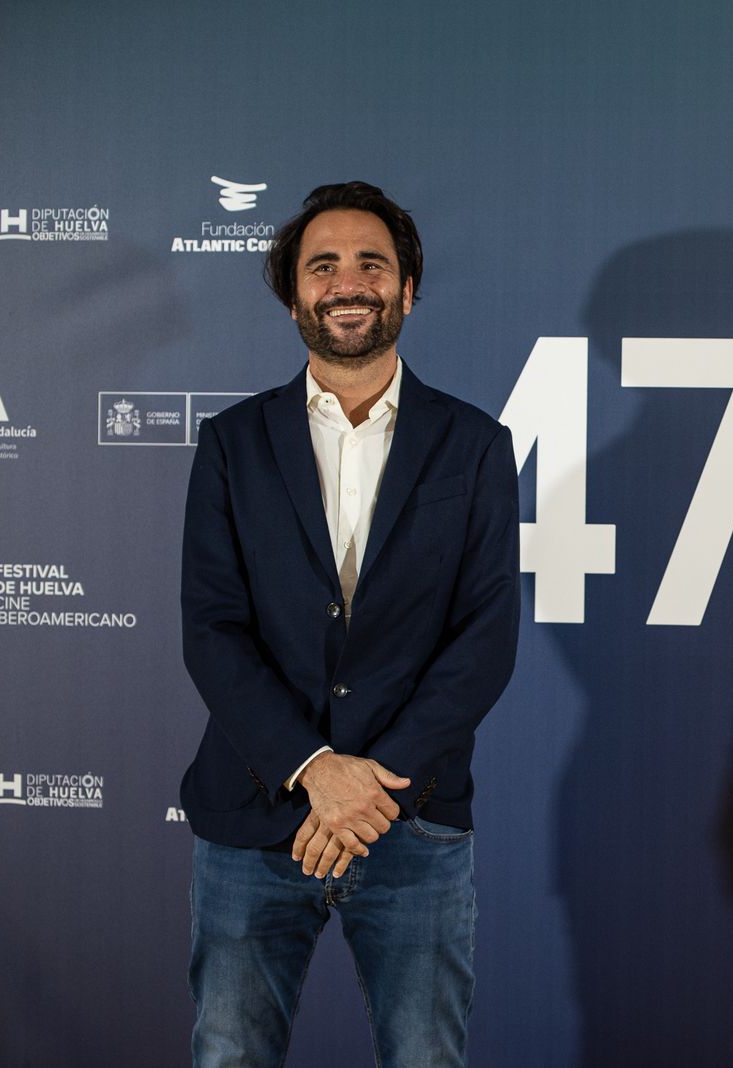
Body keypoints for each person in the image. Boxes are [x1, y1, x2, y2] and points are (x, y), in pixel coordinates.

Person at [179, 181, 521, 1066]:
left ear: (408, 288)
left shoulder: (475, 445)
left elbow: (484, 639)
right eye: (322, 265)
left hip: (413, 822)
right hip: (256, 817)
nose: (347, 282)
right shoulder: (231, 443)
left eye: (372, 262)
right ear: (294, 293)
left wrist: (377, 786)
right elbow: (213, 627)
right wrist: (315, 770)